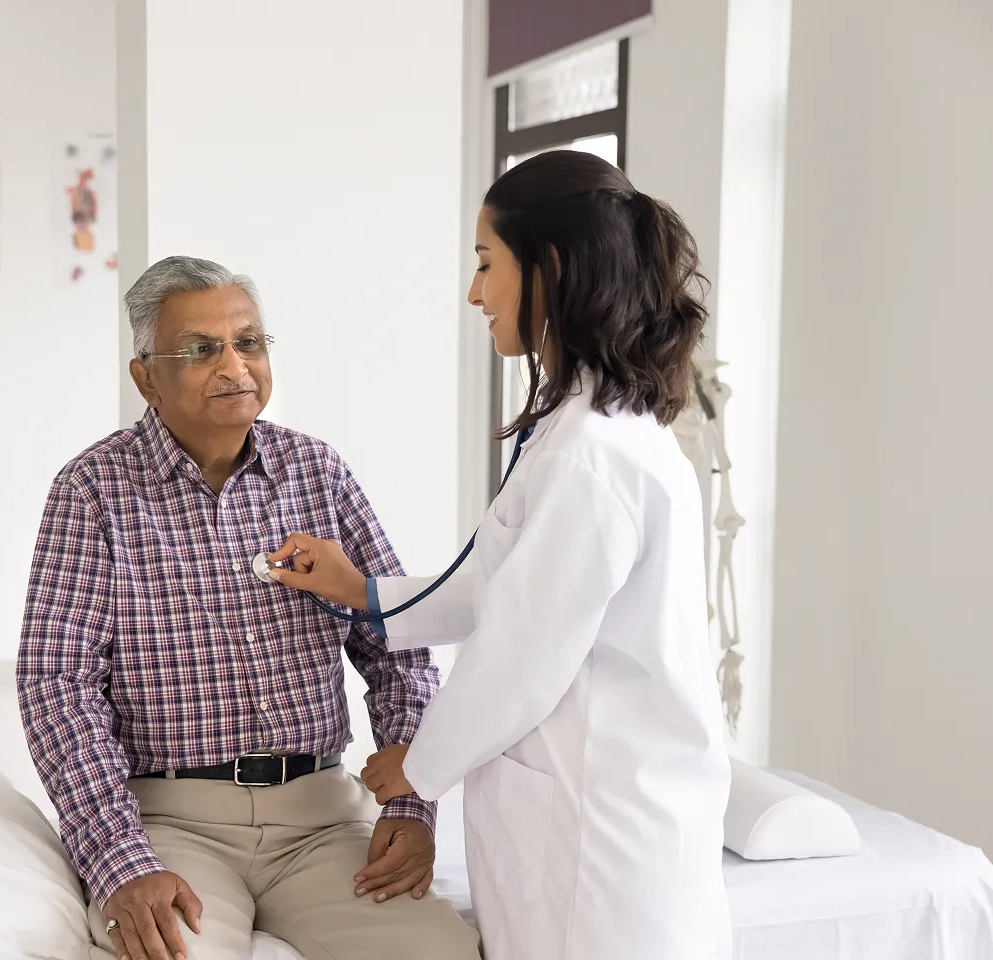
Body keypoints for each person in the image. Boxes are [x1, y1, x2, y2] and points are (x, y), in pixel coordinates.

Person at [266, 150, 733, 960]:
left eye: (487, 265)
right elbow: (498, 582)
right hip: (582, 808)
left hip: (602, 836)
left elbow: (523, 653)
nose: (474, 294)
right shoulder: (582, 428)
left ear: (549, 268)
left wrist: (422, 763)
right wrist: (361, 591)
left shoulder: (593, 454)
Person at [16, 256, 480, 960]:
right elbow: (57, 686)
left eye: (250, 342)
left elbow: (398, 646)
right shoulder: (92, 492)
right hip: (171, 823)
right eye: (201, 349)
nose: (234, 365)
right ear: (145, 375)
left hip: (322, 816)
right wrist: (121, 861)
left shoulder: (317, 472)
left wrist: (413, 806)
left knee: (443, 952)